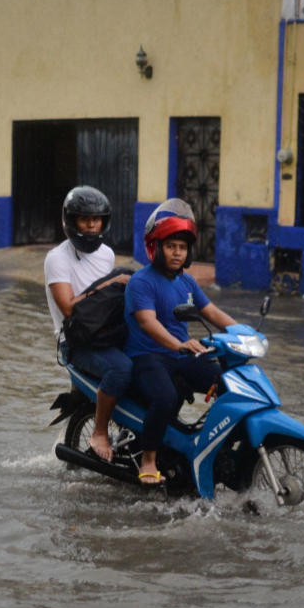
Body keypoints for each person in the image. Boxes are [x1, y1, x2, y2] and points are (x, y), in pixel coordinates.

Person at [124, 199, 237, 485]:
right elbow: (148, 322)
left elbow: (210, 312)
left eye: (182, 248)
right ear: (157, 247)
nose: (177, 253)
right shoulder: (141, 281)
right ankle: (148, 461)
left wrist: (244, 333)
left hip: (180, 355)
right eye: (171, 246)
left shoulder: (186, 282)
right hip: (147, 356)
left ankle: (216, 448)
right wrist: (177, 344)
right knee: (165, 398)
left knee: (228, 382)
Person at [44, 186, 132, 461]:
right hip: (75, 341)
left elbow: (106, 303)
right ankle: (99, 432)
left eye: (97, 219)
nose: (92, 226)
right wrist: (111, 282)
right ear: (71, 221)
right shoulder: (57, 259)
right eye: (85, 219)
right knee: (121, 369)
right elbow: (69, 308)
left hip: (104, 333)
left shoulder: (106, 254)